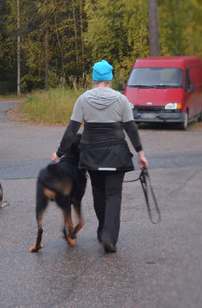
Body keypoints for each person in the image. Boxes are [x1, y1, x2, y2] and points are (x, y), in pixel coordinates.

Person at [51, 59, 148, 253]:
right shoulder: (121, 99)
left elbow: (72, 129)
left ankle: (103, 229)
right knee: (113, 194)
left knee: (98, 192)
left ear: (94, 78)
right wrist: (140, 153)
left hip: (92, 155)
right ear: (110, 78)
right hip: (116, 153)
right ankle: (108, 236)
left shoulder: (83, 99)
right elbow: (131, 128)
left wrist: (59, 152)